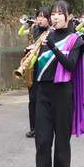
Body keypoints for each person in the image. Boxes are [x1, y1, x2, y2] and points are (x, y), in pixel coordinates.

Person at [34, 0, 84, 167]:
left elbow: (70, 65)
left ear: (69, 16)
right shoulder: (44, 36)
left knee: (62, 144)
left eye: (59, 13)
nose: (55, 17)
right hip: (43, 92)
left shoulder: (76, 39)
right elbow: (40, 66)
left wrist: (54, 48)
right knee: (42, 142)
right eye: (53, 13)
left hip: (63, 94)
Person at [18, 7, 51, 139]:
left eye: (43, 17)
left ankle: (44, 126)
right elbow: (26, 39)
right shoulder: (33, 29)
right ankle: (33, 128)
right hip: (33, 67)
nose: (40, 19)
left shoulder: (51, 32)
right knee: (32, 100)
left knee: (43, 100)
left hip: (45, 67)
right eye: (38, 16)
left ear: (49, 19)